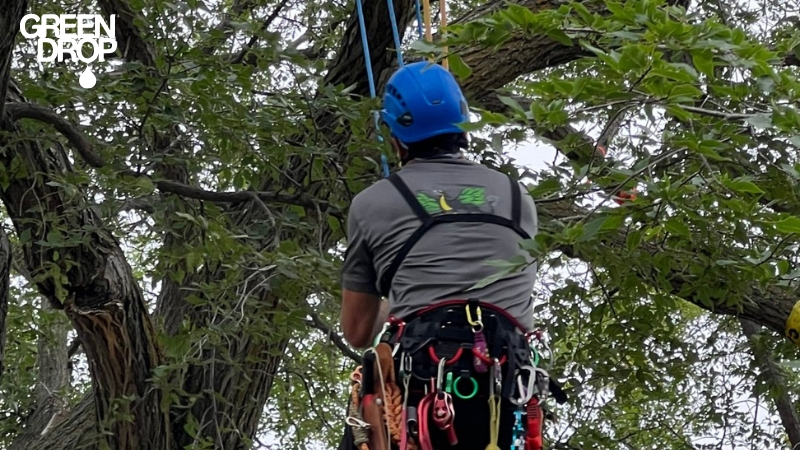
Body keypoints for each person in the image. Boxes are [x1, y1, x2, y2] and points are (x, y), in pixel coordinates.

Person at [339, 61, 560, 450]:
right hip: (506, 387)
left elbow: (358, 331)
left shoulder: (373, 203)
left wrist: (400, 284)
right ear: (463, 124)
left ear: (394, 136)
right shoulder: (517, 197)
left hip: (422, 382)